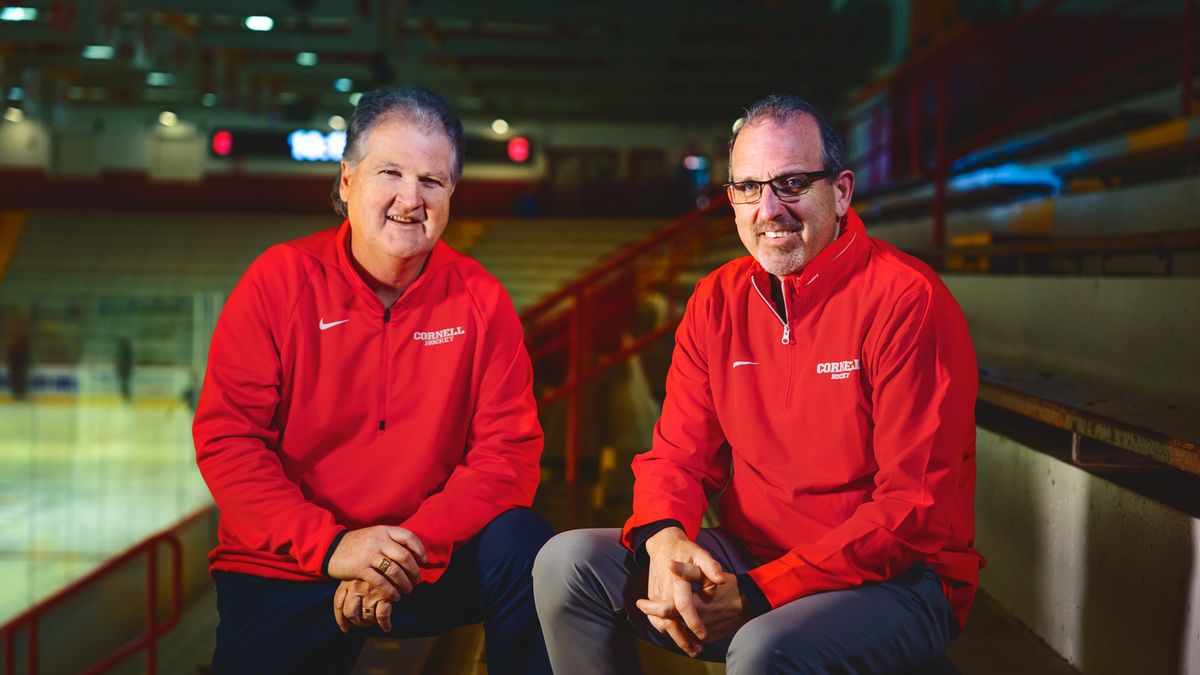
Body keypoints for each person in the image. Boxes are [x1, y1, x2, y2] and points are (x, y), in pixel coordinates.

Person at [533, 94, 983, 674]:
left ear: (841, 192)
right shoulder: (716, 300)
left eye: (792, 183)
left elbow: (910, 513)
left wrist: (759, 593)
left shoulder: (907, 302)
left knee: (763, 649)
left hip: (902, 583)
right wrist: (664, 540)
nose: (769, 208)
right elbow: (678, 458)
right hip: (753, 562)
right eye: (748, 187)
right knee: (565, 564)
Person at [193, 86, 553, 675]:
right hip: (289, 565)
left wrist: (402, 554)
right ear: (346, 180)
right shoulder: (278, 281)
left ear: (452, 194)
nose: (410, 199)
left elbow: (506, 458)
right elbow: (229, 443)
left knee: (527, 549)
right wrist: (334, 548)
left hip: (421, 557)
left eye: (432, 182)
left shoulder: (480, 298)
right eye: (390, 172)